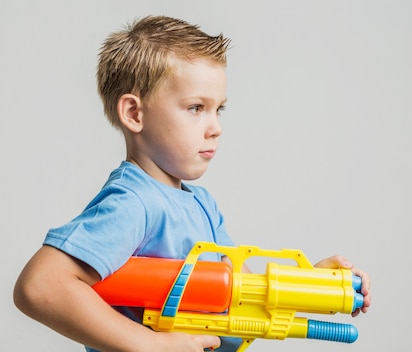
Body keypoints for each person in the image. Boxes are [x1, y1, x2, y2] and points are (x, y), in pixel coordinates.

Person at [13, 15, 371, 352]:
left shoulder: (202, 206)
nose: (215, 126)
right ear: (134, 114)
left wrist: (312, 283)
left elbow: (245, 301)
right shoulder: (134, 202)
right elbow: (40, 285)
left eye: (219, 109)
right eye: (196, 107)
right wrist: (151, 344)